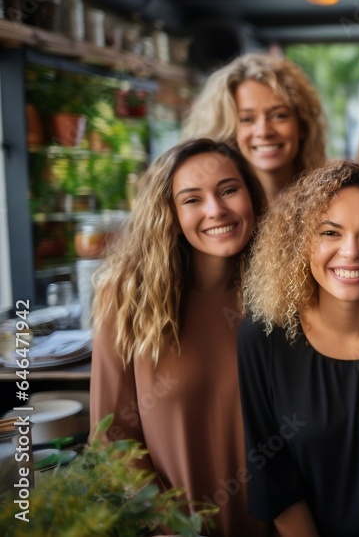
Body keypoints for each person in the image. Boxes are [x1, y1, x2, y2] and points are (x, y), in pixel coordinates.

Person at [237, 161, 359, 536]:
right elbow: (274, 480)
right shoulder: (261, 339)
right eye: (330, 232)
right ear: (301, 240)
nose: (351, 251)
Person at [90, 138, 270, 537]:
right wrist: (171, 529)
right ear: (169, 213)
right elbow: (111, 440)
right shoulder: (127, 297)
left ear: (252, 196)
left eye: (228, 190)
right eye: (192, 199)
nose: (215, 209)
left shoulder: (280, 291)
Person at [182, 53, 328, 204]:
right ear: (229, 134)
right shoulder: (220, 217)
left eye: (279, 116)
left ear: (302, 126)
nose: (263, 131)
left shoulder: (331, 203)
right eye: (247, 119)